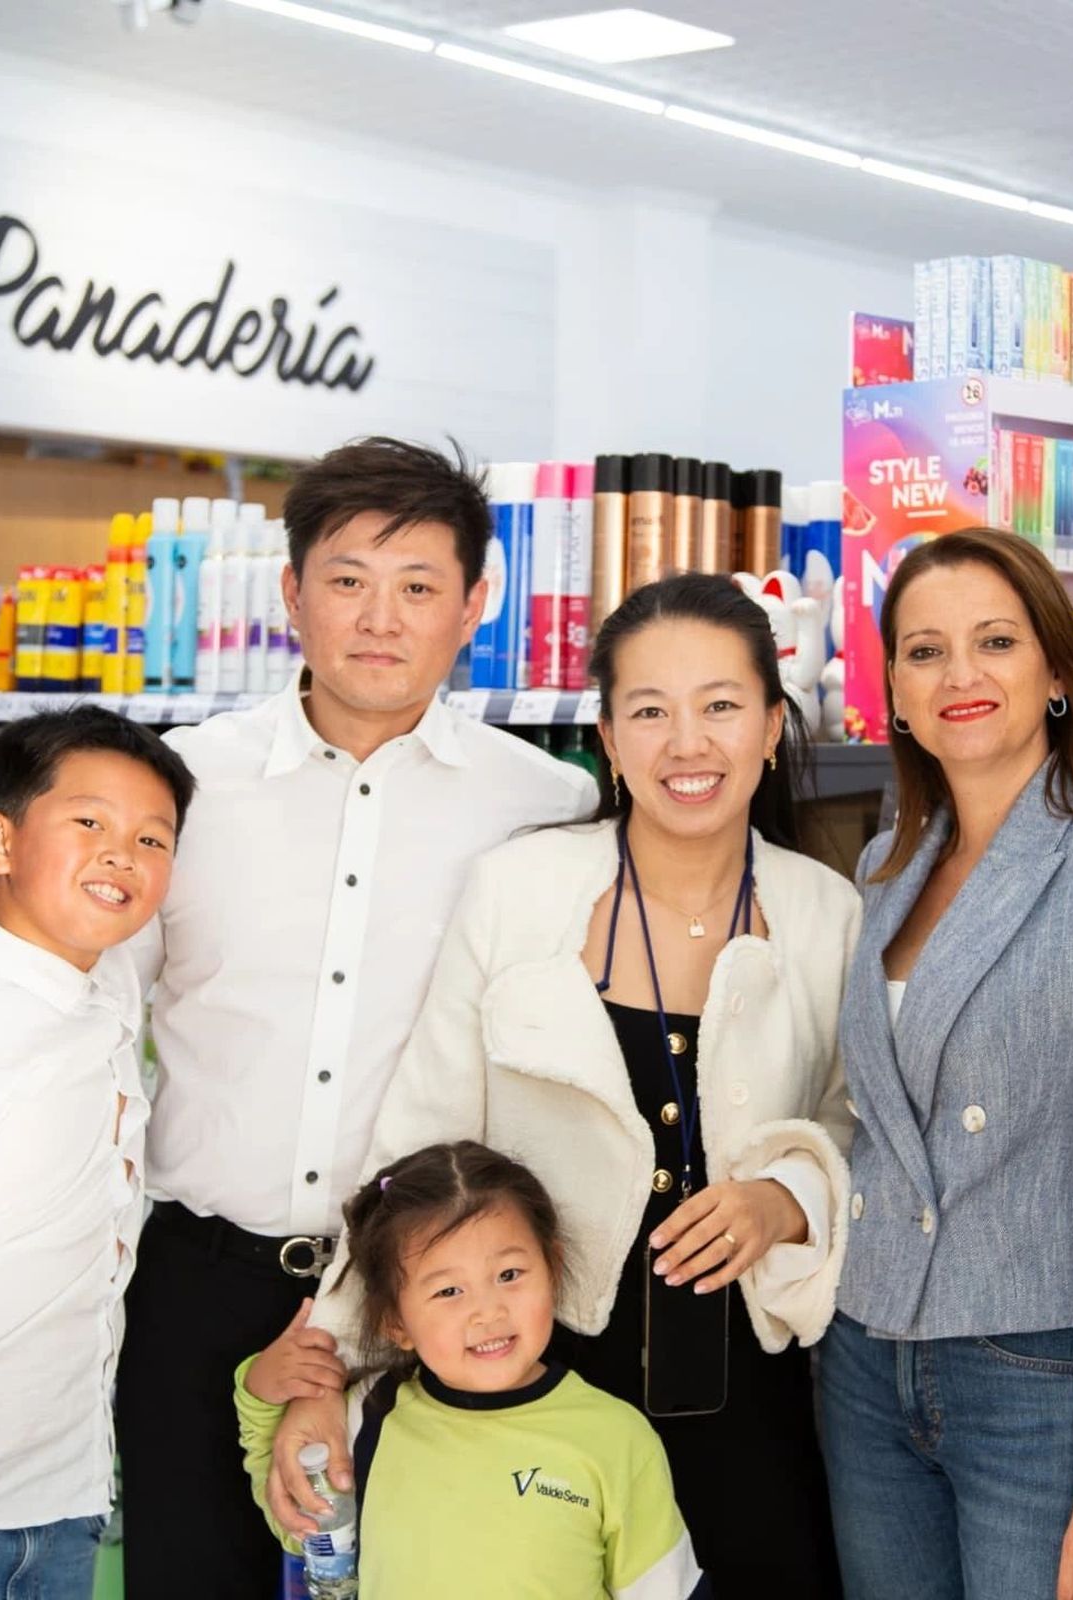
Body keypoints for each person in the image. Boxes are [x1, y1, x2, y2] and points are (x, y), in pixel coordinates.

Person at [266, 572, 860, 1596]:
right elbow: (421, 1143)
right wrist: (333, 1365)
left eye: (721, 706)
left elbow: (860, 1125)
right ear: (608, 736)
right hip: (535, 1402)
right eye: (649, 711)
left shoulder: (824, 913)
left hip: (757, 1411)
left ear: (770, 726)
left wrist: (785, 1198)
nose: (688, 743)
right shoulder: (521, 890)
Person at [115, 437, 594, 1599]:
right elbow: (100, 1032)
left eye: (419, 586)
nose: (380, 620)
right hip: (196, 1285)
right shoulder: (183, 784)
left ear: (474, 604)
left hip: (424, 1293)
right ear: (290, 593)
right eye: (346, 580)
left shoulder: (547, 805)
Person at [820, 529, 1073, 1600]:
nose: (959, 675)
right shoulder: (885, 865)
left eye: (994, 641)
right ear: (895, 693)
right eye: (923, 650)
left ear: (1054, 670)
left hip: (1043, 1377)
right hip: (868, 1353)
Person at [0, 707, 195, 1600]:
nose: (123, 854)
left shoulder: (99, 991)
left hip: (64, 1498)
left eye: (151, 838)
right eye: (89, 822)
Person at [237, 1140, 706, 1599]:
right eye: (448, 1292)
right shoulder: (369, 1416)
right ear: (395, 1322)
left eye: (509, 1275)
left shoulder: (616, 1437)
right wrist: (258, 1392)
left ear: (552, 1267)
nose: (488, 1312)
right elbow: (299, 1519)